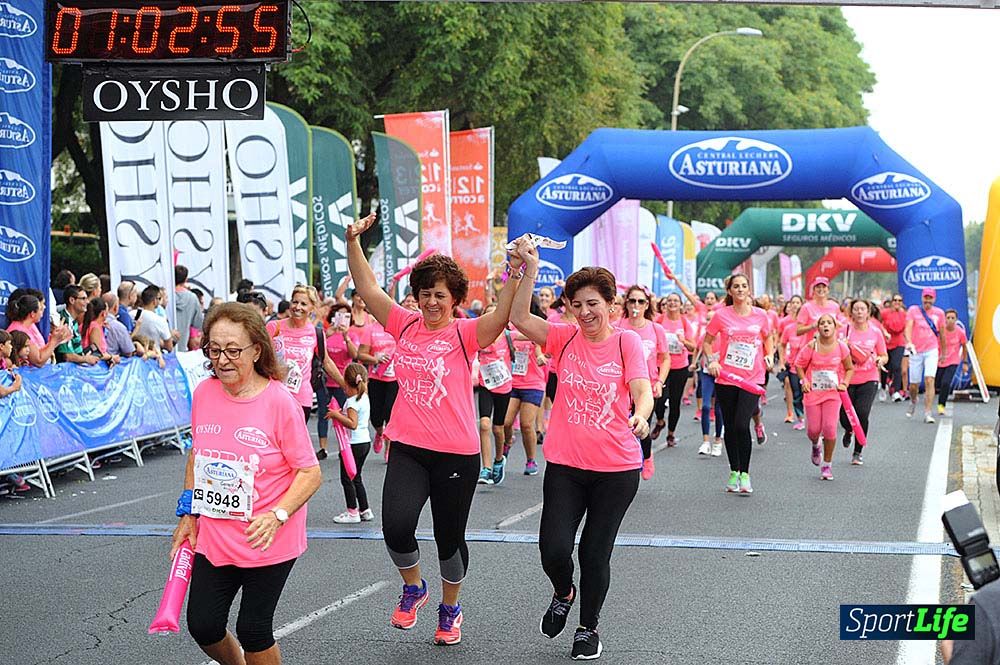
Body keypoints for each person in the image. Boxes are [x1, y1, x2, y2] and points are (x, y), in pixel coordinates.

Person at [345, 211, 518, 646]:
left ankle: (450, 607)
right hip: (408, 446)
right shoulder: (404, 324)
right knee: (396, 526)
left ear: (454, 296)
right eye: (424, 294)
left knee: (448, 538)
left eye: (439, 295)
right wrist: (353, 243)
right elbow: (367, 288)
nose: (431, 303)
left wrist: (515, 272)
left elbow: (501, 315)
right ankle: (413, 587)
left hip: (457, 452)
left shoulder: (465, 332)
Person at [508, 241, 652, 661]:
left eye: (594, 303)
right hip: (567, 466)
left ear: (612, 304)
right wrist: (527, 270)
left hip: (617, 468)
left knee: (594, 552)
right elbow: (518, 318)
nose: (585, 312)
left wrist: (641, 415)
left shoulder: (627, 344)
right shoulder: (563, 337)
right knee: (553, 548)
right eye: (576, 304)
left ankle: (588, 628)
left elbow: (641, 390)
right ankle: (562, 591)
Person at [170, 302, 322, 665]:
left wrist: (278, 515)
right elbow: (197, 455)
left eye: (233, 350)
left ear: (257, 349)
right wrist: (188, 514)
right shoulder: (205, 393)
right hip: (215, 534)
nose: (222, 359)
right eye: (214, 349)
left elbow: (310, 472)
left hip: (266, 535)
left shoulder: (279, 402)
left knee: (254, 629)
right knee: (203, 625)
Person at [702, 274, 773, 494]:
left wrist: (769, 355)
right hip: (727, 377)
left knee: (742, 424)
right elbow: (707, 341)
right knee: (730, 426)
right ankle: (734, 471)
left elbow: (769, 338)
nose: (740, 289)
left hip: (752, 377)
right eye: (736, 286)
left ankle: (745, 474)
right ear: (730, 291)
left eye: (744, 286)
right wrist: (712, 360)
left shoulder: (761, 315)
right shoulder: (721, 315)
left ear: (749, 289)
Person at [266, 285, 346, 423]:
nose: (298, 307)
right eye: (295, 302)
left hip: (301, 397)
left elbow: (326, 361)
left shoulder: (316, 333)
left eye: (303, 304)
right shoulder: (274, 327)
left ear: (312, 308)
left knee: (295, 442)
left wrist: (345, 385)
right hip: (274, 395)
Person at [617, 285, 668, 480]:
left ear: (647, 305)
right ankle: (623, 462)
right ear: (626, 303)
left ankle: (646, 456)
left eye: (640, 301)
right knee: (621, 425)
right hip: (621, 386)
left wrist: (659, 382)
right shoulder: (618, 326)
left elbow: (665, 358)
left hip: (646, 387)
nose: (636, 305)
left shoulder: (655, 329)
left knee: (641, 424)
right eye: (632, 301)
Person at [796, 314, 854, 480]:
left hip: (832, 393)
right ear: (818, 327)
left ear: (835, 327)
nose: (826, 326)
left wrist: (845, 383)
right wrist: (804, 380)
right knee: (813, 430)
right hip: (813, 392)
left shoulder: (841, 347)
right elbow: (799, 365)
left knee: (829, 428)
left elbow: (849, 368)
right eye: (822, 323)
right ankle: (815, 444)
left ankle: (827, 464)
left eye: (829, 323)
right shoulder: (812, 345)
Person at [839, 299, 888, 465]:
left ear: (868, 312)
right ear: (851, 312)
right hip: (847, 378)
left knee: (862, 413)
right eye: (856, 309)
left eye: (863, 309)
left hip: (869, 377)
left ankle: (858, 451)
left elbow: (884, 354)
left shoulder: (875, 332)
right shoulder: (844, 332)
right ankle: (848, 430)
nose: (859, 312)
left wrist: (880, 360)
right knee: (845, 417)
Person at [503, 294, 547, 476]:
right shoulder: (511, 326)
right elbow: (506, 337)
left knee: (527, 424)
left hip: (533, 383)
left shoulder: (539, 326)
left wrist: (540, 356)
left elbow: (539, 346)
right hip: (513, 381)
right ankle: (507, 442)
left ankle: (530, 460)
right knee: (505, 422)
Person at [325, 363, 374, 524]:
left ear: (347, 382)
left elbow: (352, 423)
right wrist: (339, 413)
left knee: (347, 479)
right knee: (357, 477)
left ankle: (352, 511)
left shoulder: (352, 402)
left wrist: (336, 415)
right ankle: (365, 509)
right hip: (364, 441)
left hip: (352, 444)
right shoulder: (364, 397)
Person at [473, 303, 514, 485]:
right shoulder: (479, 337)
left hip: (504, 387)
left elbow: (533, 338)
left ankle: (499, 459)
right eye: (488, 316)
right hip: (485, 386)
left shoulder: (509, 336)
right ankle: (486, 468)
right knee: (484, 424)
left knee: (498, 429)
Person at [650, 291, 693, 450]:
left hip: (679, 367)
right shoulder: (659, 321)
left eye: (676, 301)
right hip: (661, 367)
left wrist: (684, 341)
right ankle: (660, 421)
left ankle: (670, 433)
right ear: (665, 304)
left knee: (675, 402)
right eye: (670, 301)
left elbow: (693, 347)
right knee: (659, 398)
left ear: (680, 305)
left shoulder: (684, 322)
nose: (673, 303)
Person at [315, 303, 355, 460]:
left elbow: (355, 354)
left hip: (343, 382)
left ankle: (345, 445)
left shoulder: (351, 335)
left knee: (345, 414)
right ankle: (323, 448)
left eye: (346, 315)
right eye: (339, 314)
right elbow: (317, 353)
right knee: (323, 415)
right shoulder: (325, 334)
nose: (342, 318)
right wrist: (327, 334)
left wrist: (346, 337)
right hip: (324, 381)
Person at [904, 287, 947, 423]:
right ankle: (913, 400)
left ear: (934, 299)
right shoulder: (913, 311)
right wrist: (909, 342)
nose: (927, 300)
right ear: (922, 297)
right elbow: (908, 328)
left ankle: (928, 412)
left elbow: (942, 334)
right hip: (916, 350)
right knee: (913, 385)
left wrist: (943, 352)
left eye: (930, 297)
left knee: (929, 379)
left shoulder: (939, 313)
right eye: (926, 297)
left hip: (931, 350)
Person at [6, 293, 70, 367]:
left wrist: (57, 338)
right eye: (40, 309)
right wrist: (54, 341)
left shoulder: (31, 325)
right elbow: (38, 361)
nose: (44, 309)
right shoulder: (19, 331)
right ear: (32, 313)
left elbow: (41, 349)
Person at [55, 285, 99, 366]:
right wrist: (86, 359)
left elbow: (76, 351)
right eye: (83, 299)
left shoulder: (73, 321)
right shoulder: (64, 321)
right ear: (72, 300)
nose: (88, 302)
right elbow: (67, 356)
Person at [936, 309, 969, 415]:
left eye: (952, 318)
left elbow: (964, 346)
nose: (950, 320)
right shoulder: (940, 331)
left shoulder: (960, 332)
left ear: (956, 319)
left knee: (946, 383)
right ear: (944, 319)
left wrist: (964, 362)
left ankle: (941, 405)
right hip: (940, 360)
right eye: (948, 318)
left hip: (953, 361)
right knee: (937, 383)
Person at [881, 294, 908, 402]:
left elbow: (907, 328)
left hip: (899, 342)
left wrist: (909, 342)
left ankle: (896, 391)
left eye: (899, 300)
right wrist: (885, 332)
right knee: (885, 367)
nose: (897, 302)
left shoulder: (904, 314)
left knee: (897, 366)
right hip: (886, 343)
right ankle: (883, 387)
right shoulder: (884, 312)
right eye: (895, 300)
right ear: (892, 301)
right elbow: (878, 324)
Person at [134, 285, 176, 352]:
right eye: (159, 298)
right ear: (154, 301)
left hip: (134, 354)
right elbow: (169, 347)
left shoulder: (132, 314)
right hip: (154, 357)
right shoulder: (160, 320)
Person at [174, 265, 205, 352]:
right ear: (186, 279)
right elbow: (198, 323)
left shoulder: (166, 296)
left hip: (165, 345)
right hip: (182, 345)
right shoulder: (192, 297)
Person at [81, 297, 119, 366]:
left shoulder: (87, 324)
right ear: (103, 313)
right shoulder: (95, 328)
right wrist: (112, 357)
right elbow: (96, 354)